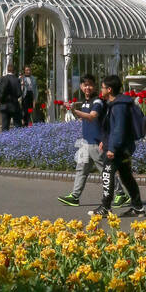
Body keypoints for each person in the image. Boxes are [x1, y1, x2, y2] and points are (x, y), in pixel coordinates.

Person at [57, 75, 129, 208]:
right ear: (81, 86)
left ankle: (121, 194)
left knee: (105, 170)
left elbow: (92, 116)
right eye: (85, 85)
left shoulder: (97, 102)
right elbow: (86, 119)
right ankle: (75, 196)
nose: (87, 87)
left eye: (90, 84)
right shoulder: (85, 102)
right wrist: (76, 114)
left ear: (95, 86)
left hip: (97, 143)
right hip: (86, 142)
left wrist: (74, 111)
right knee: (81, 169)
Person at [89, 74, 145, 218]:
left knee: (107, 174)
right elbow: (111, 128)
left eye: (102, 87)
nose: (101, 90)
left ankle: (106, 208)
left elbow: (118, 129)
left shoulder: (119, 106)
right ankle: (138, 207)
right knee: (126, 176)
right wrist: (105, 140)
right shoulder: (116, 104)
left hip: (117, 149)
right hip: (122, 147)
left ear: (109, 89)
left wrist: (112, 148)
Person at [0, 63, 22, 132]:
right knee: (17, 125)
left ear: (7, 70)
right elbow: (19, 93)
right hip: (14, 105)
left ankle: (4, 141)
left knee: (5, 126)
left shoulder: (2, 78)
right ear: (14, 70)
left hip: (4, 105)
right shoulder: (16, 80)